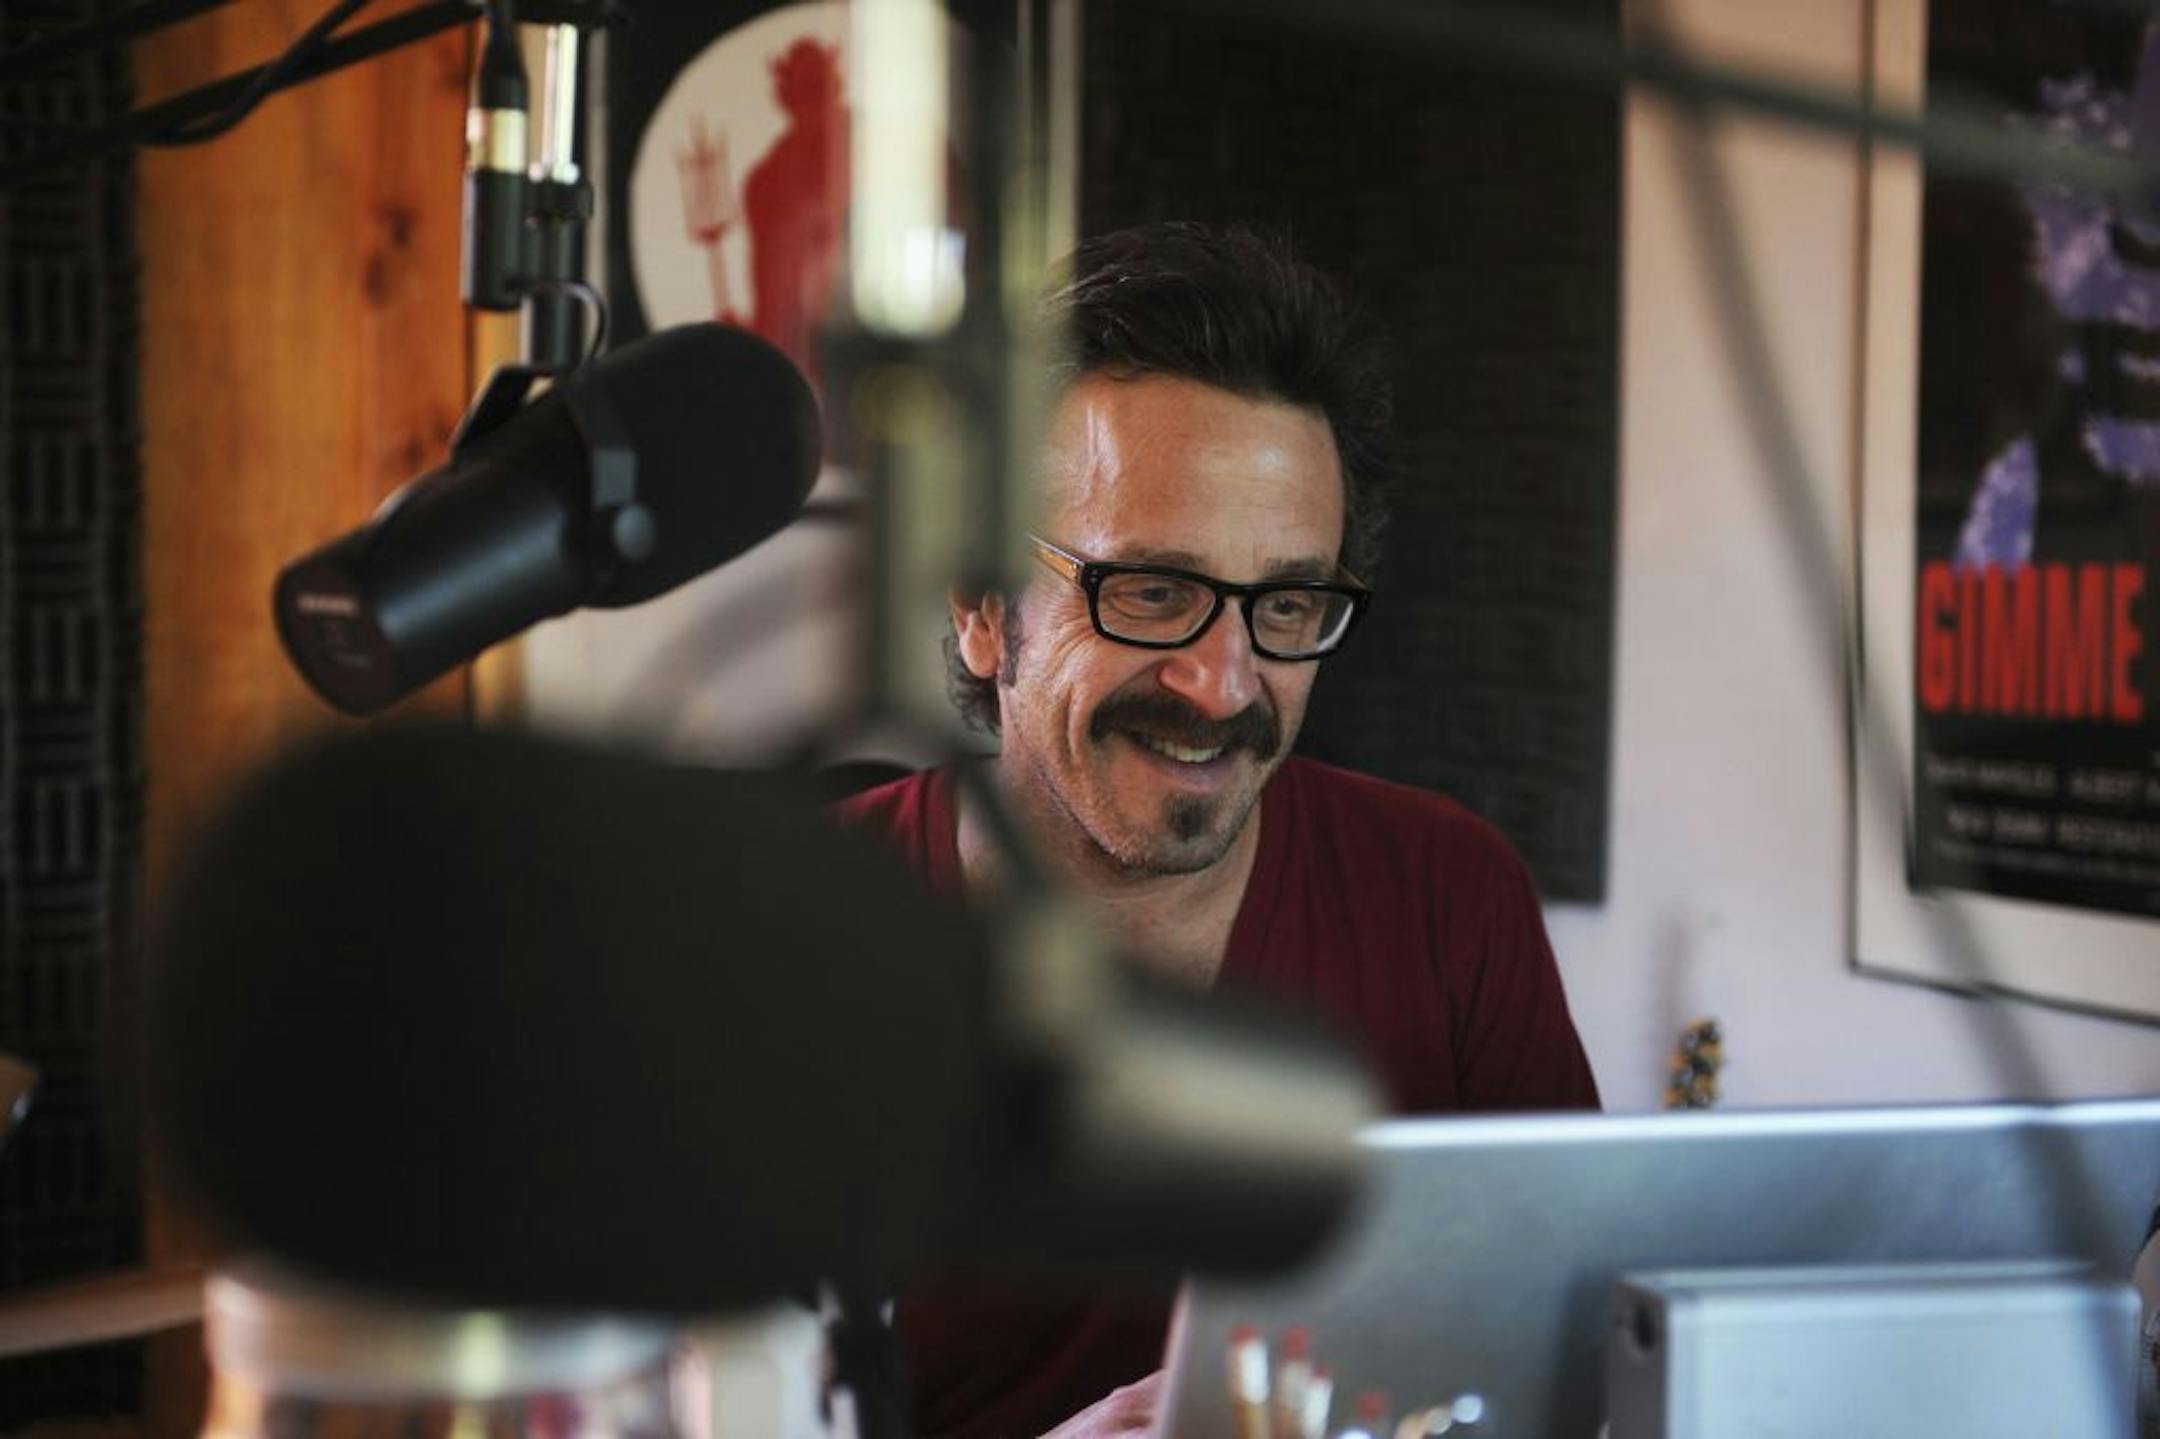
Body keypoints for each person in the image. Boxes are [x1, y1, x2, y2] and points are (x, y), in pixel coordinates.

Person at [840, 220, 1600, 1438]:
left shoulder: (1450, 894)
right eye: (1150, 590)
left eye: (1286, 600)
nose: (1224, 682)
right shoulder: (781, 932)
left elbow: (1575, 1360)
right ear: (983, 610)